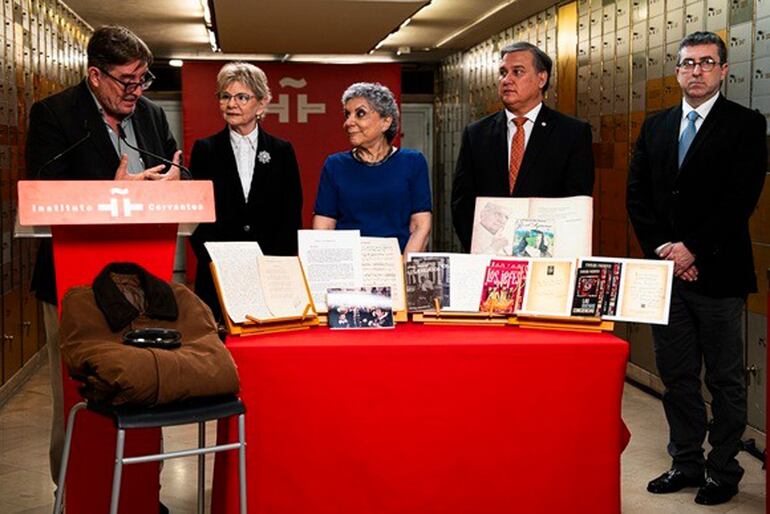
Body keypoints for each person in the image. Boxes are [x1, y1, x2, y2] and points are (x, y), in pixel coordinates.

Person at [24, 24, 183, 492]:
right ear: (95, 75)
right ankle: (74, 494)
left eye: (143, 80)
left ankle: (140, 495)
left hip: (144, 284)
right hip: (73, 283)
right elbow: (40, 190)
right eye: (126, 81)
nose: (137, 90)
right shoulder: (54, 114)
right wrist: (107, 194)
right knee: (76, 396)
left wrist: (173, 189)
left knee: (146, 391)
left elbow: (171, 173)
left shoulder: (151, 116)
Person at [626, 31, 767, 506]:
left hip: (719, 274)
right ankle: (685, 461)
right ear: (678, 71)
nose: (697, 71)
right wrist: (667, 249)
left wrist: (693, 250)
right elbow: (637, 196)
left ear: (724, 70)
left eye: (707, 62)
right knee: (677, 374)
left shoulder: (746, 124)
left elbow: (739, 199)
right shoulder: (656, 125)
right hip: (666, 274)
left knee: (724, 378)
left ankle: (723, 468)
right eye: (688, 63)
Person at [451, 41, 595, 252]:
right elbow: (461, 202)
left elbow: (575, 202)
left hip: (546, 255)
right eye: (503, 72)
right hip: (488, 254)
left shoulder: (572, 133)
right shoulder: (476, 134)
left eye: (517, 72)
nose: (507, 80)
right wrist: (481, 247)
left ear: (541, 78)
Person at [189, 62, 302, 320]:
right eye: (225, 97)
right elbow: (198, 217)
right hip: (219, 270)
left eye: (242, 97)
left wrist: (277, 267)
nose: (232, 104)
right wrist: (214, 261)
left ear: (261, 104)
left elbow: (291, 214)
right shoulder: (205, 149)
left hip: (268, 273)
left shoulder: (282, 151)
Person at [312, 82, 431, 254]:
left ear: (386, 121)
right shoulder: (335, 165)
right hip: (348, 268)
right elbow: (324, 228)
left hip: (398, 265)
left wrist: (405, 271)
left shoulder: (413, 162)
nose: (349, 122)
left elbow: (421, 226)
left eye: (360, 114)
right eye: (347, 114)